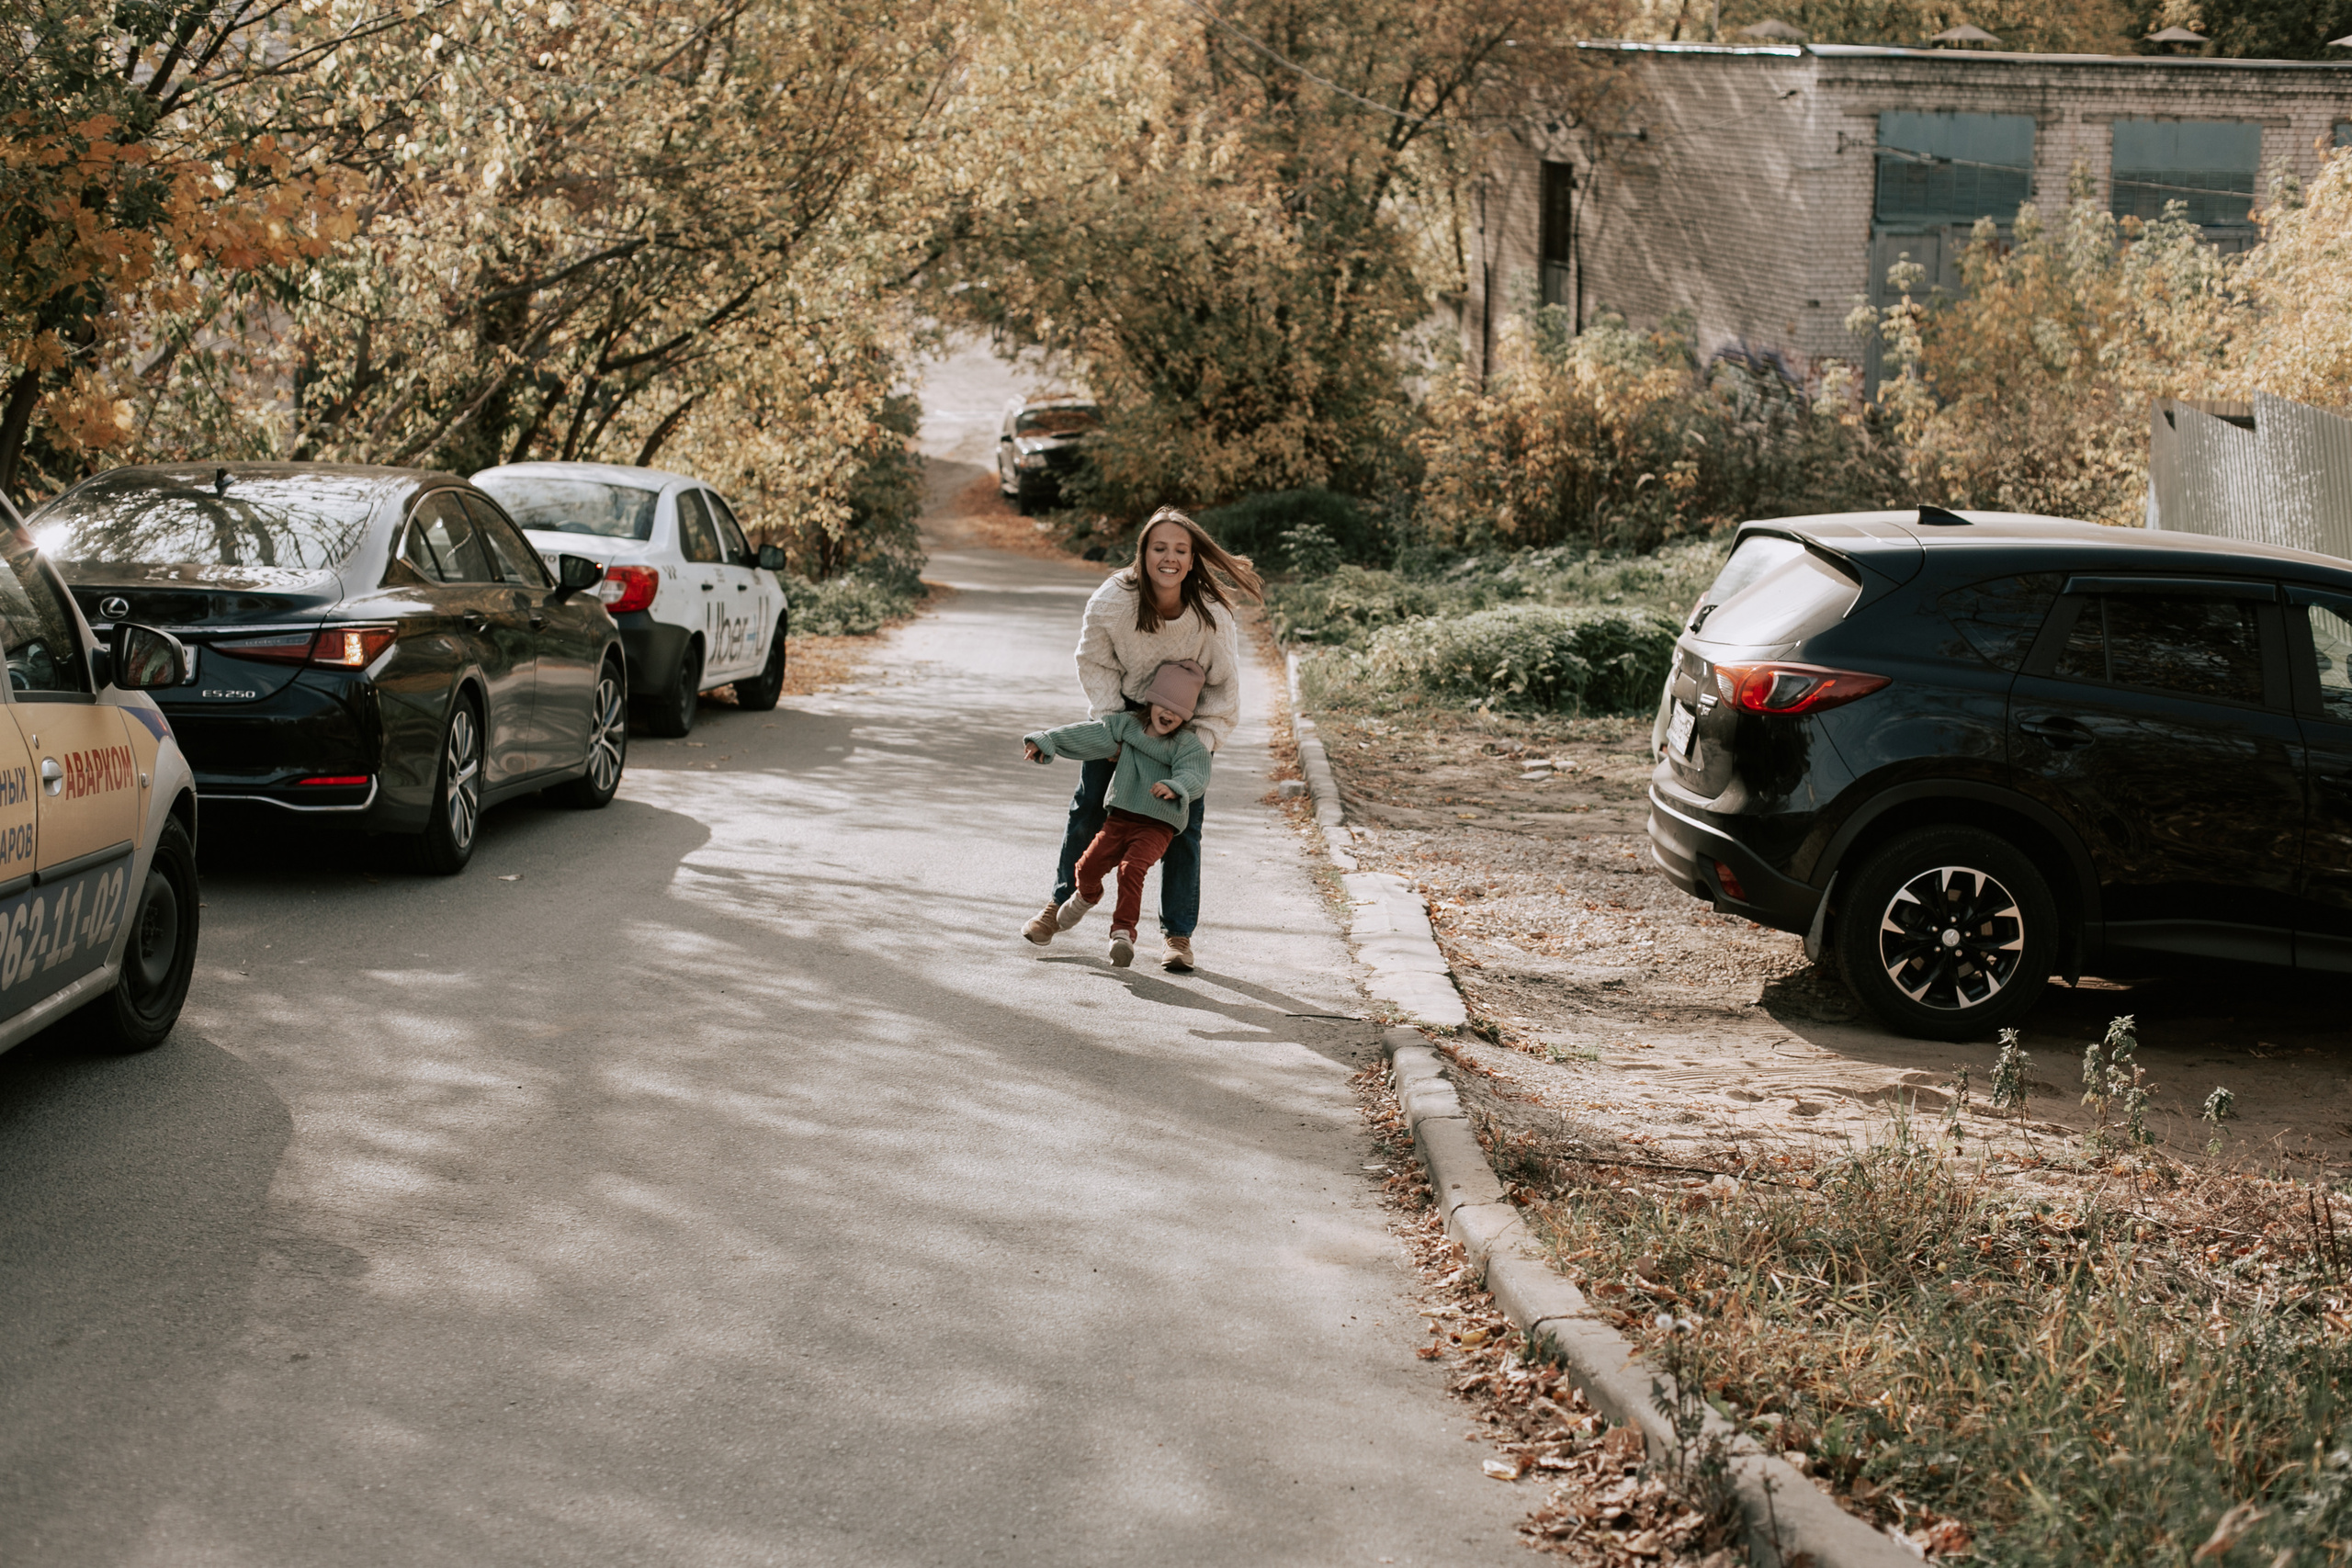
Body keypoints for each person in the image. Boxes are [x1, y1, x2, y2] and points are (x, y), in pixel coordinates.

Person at [1020, 504, 1263, 972]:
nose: (1168, 558)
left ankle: (1177, 936)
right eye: (1159, 548)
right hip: (1124, 718)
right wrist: (1114, 729)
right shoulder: (1114, 600)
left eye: (1180, 549)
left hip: (1185, 731)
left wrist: (1201, 746)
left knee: (1182, 830)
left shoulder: (1210, 615)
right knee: (1089, 811)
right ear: (1143, 553)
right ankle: (1058, 906)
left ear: (1192, 560)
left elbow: (1224, 686)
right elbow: (1094, 660)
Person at [1022, 660, 1214, 968]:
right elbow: (1090, 734)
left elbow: (1197, 773)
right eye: (1165, 705)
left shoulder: (1186, 745)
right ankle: (1086, 896)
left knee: (1131, 869)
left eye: (1179, 712)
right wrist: (1047, 740)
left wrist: (1176, 786)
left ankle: (1122, 933)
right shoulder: (1126, 726)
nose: (1170, 714)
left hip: (1157, 825)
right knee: (1086, 866)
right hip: (1120, 819)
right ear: (1151, 701)